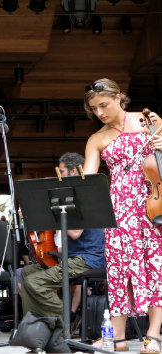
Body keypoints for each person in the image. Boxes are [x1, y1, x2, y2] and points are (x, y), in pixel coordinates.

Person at [82, 78, 162, 353]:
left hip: (151, 204)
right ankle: (118, 337)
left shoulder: (148, 120)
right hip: (116, 210)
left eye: (104, 105)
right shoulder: (97, 138)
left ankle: (153, 334)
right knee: (118, 271)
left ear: (119, 98)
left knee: (154, 267)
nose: (100, 112)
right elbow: (89, 179)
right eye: (94, 108)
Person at [20, 152, 105, 328]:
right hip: (72, 256)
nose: (59, 175)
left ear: (73, 171)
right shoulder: (70, 195)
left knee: (34, 281)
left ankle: (66, 321)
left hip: (87, 259)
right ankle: (36, 324)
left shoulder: (83, 195)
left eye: (61, 171)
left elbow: (75, 233)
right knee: (27, 273)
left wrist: (48, 212)